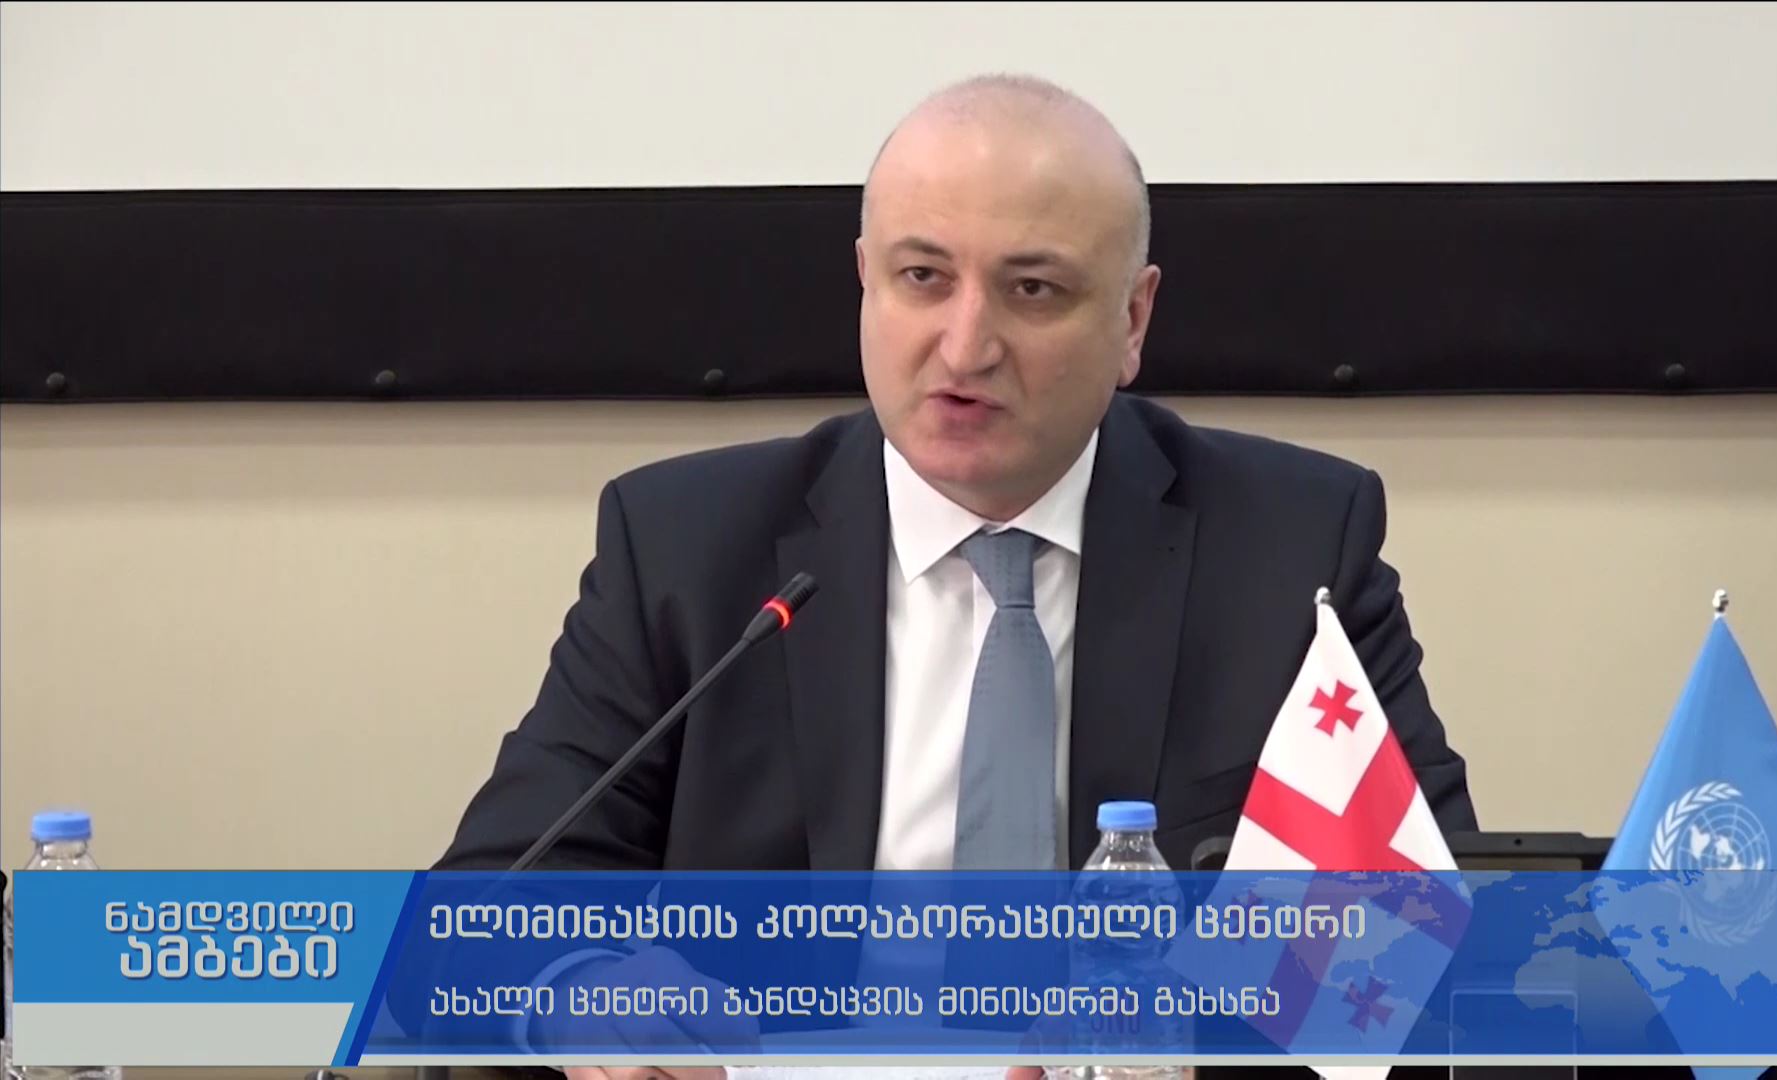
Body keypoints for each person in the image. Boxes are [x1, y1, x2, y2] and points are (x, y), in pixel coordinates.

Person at [434, 74, 1477, 1080]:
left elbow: (1437, 937)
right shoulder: (688, 547)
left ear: (1132, 321)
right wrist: (583, 992)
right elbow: (486, 906)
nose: (966, 346)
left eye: (1033, 290)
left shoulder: (1293, 550)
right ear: (866, 282)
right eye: (923, 278)